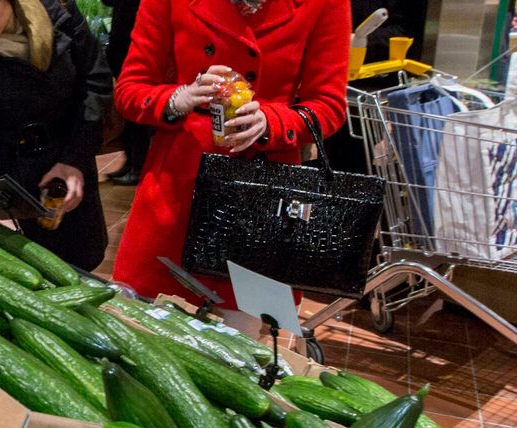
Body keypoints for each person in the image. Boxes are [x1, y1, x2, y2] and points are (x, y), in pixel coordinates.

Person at [109, 0, 351, 305]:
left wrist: (271, 122)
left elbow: (329, 105)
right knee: (146, 327)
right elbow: (130, 89)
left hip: (262, 194)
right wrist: (178, 98)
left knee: (242, 340)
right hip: (178, 186)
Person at [0, 0, 111, 271]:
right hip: (11, 186)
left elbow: (96, 82)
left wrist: (74, 159)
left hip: (69, 156)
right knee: (33, 276)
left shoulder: (58, 13)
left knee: (85, 258)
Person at [100, 0, 150, 184]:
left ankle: (139, 165)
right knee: (127, 109)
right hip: (122, 44)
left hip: (135, 44)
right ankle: (130, 161)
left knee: (138, 112)